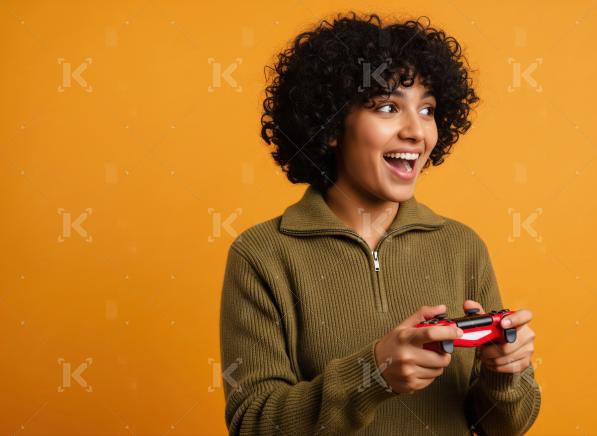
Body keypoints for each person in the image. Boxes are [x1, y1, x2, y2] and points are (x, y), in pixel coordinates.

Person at [220, 11, 541, 435]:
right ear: (333, 126)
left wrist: (505, 374)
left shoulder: (462, 246)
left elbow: (505, 426)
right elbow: (254, 424)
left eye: (427, 110)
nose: (416, 131)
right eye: (389, 107)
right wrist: (372, 375)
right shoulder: (262, 255)